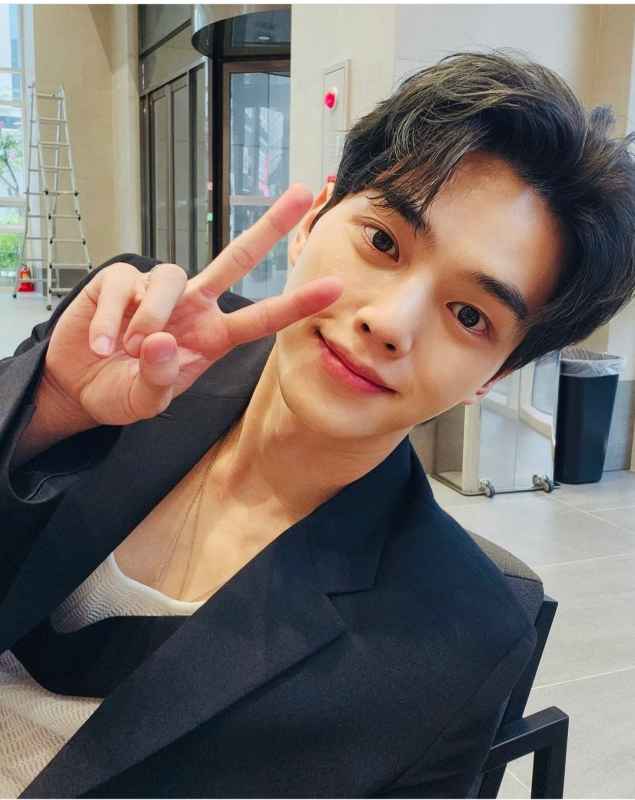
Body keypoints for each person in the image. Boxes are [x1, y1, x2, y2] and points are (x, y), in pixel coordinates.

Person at [1, 48, 634, 798]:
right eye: (383, 241)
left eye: (469, 315)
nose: (389, 323)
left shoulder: (452, 644)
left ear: (492, 376)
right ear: (313, 219)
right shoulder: (136, 341)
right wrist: (52, 412)